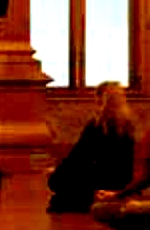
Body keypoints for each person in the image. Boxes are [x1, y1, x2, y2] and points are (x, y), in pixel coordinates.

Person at [47, 82, 135, 213]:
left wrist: (57, 171)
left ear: (100, 100)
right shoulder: (128, 124)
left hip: (101, 179)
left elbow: (78, 156)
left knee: (55, 181)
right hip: (122, 180)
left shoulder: (97, 124)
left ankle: (88, 197)